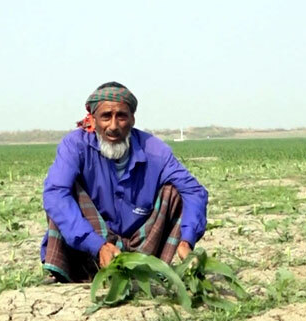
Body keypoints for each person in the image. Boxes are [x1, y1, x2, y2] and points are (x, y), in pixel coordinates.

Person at [40, 82, 208, 282]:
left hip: (142, 244)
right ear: (93, 120)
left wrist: (186, 240)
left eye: (121, 116)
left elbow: (194, 191)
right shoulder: (75, 145)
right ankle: (75, 270)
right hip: (91, 242)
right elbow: (55, 194)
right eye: (105, 117)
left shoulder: (155, 150)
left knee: (175, 192)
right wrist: (96, 244)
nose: (113, 126)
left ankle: (148, 271)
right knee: (63, 194)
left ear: (132, 119)